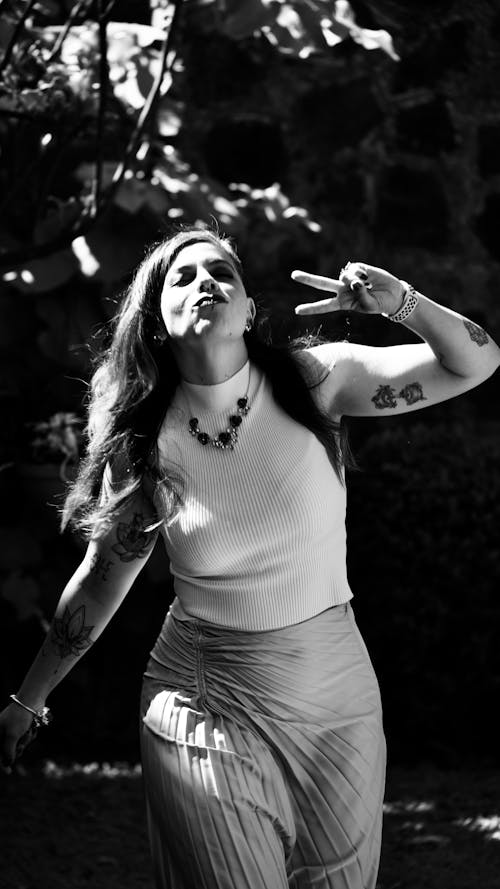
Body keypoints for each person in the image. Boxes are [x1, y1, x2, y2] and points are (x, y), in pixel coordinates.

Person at [1, 224, 499, 889]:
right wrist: (26, 700)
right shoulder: (146, 448)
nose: (205, 282)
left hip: (336, 694)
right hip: (206, 695)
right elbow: (99, 581)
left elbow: (480, 361)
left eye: (222, 274)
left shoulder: (318, 381)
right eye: (182, 277)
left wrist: (402, 303)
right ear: (156, 323)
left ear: (248, 309)